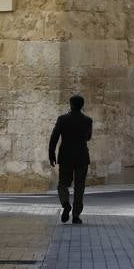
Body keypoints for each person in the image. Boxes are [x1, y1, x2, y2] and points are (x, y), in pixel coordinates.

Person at [49, 94, 93, 224]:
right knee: (79, 186)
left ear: (71, 105)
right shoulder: (87, 120)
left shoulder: (62, 119)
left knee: (63, 183)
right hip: (82, 156)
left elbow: (54, 136)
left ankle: (65, 203)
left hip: (66, 156)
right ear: (82, 105)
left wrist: (51, 153)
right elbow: (88, 137)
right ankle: (76, 215)